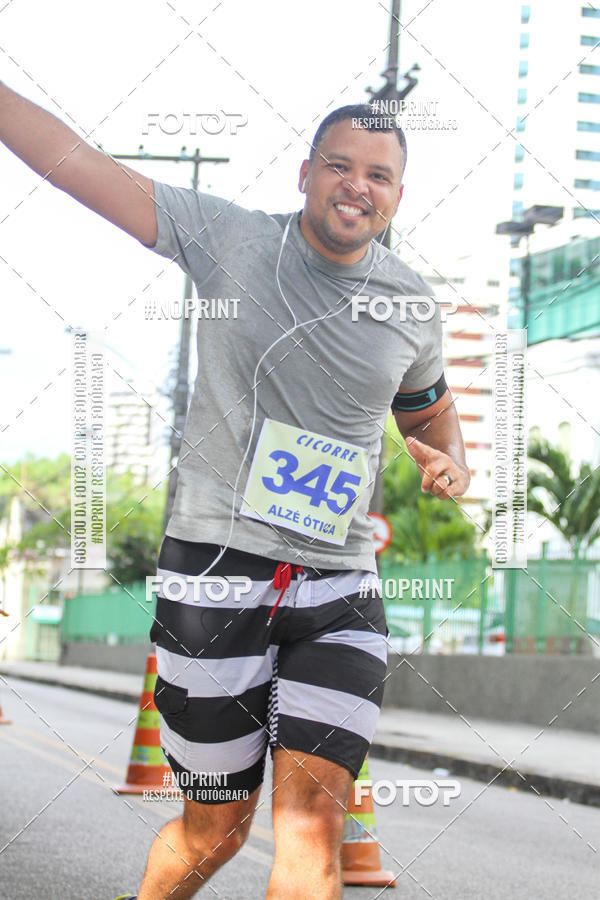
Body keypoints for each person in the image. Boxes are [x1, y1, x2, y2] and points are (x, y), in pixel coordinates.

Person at [0, 84, 470, 899]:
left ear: (397, 196)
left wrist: (445, 462)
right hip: (215, 573)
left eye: (379, 175)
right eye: (339, 165)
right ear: (304, 174)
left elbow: (430, 412)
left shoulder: (412, 304)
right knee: (215, 828)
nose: (357, 184)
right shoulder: (228, 240)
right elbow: (78, 165)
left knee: (311, 827)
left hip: (340, 581)